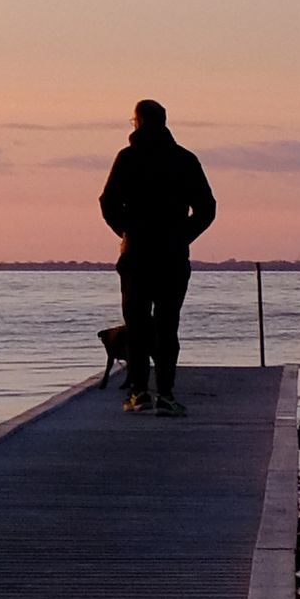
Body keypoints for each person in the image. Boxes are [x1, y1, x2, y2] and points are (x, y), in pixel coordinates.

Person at [98, 99, 215, 416]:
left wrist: (127, 232)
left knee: (136, 325)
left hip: (136, 255)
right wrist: (182, 236)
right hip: (172, 256)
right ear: (163, 122)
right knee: (167, 325)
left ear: (137, 122)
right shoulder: (184, 159)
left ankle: (138, 393)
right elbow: (207, 208)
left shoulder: (128, 158)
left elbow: (107, 202)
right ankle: (165, 393)